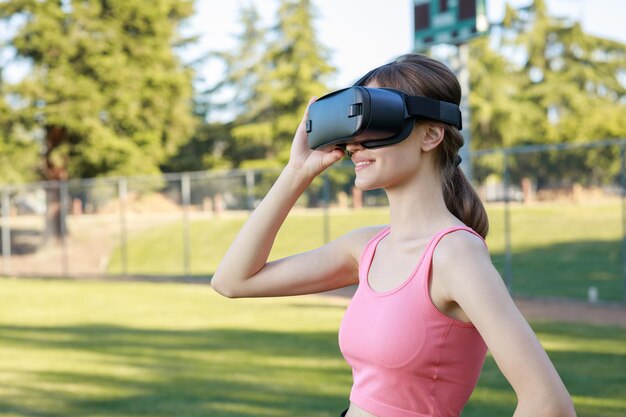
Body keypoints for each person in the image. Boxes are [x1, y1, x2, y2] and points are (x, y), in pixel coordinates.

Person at [210, 53, 576, 417]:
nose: (355, 144)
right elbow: (233, 280)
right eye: (354, 126)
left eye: (375, 122)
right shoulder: (366, 247)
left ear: (431, 134)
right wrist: (297, 171)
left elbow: (548, 403)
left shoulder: (454, 255)